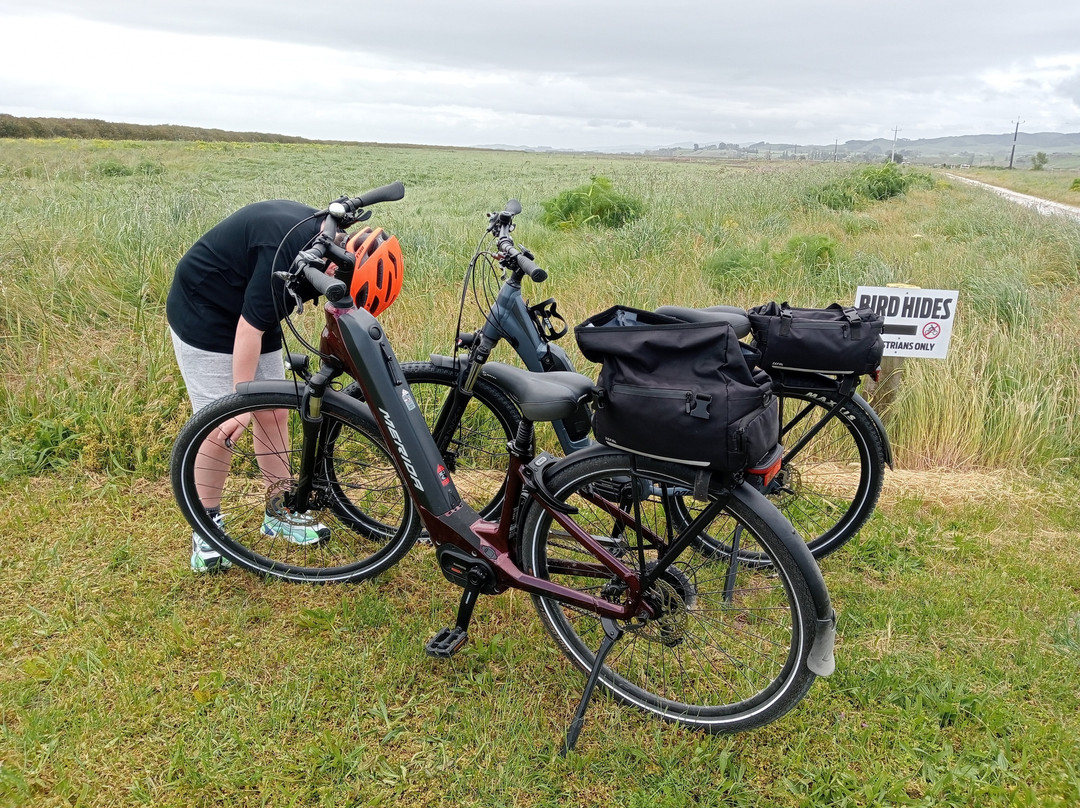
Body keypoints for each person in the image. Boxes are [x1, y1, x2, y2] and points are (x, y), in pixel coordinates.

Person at [167, 200, 329, 572]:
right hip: (204, 311)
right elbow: (248, 329)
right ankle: (207, 529)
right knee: (219, 427)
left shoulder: (328, 246)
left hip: (251, 304)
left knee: (272, 411)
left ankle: (280, 512)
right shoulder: (285, 254)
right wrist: (239, 402)